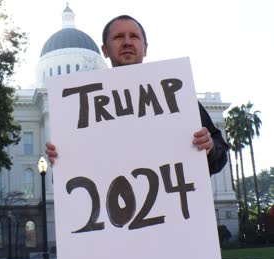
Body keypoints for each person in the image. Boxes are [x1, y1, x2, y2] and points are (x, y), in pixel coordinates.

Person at [46, 15, 228, 175]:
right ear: (105, 50)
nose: (127, 42)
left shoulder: (174, 94)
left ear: (145, 47)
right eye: (118, 37)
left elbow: (219, 154)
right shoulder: (82, 107)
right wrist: (63, 159)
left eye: (134, 36)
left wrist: (210, 147)